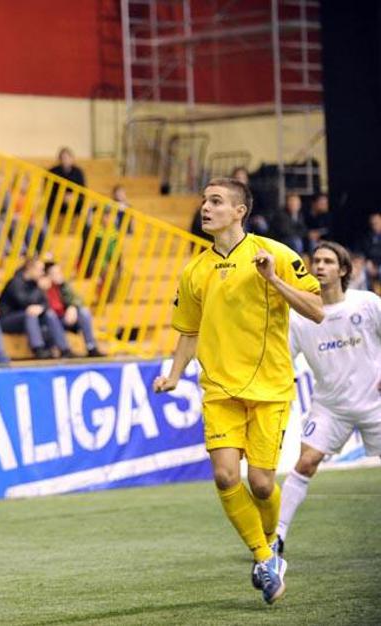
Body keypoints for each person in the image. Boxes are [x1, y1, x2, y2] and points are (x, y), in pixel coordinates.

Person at [152, 177, 323, 604]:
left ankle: (272, 545)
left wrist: (274, 280)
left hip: (270, 388)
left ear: (239, 211)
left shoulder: (275, 253)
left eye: (216, 201)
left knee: (262, 485)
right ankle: (264, 558)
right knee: (226, 475)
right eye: (204, 201)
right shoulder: (194, 270)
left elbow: (316, 310)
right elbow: (188, 330)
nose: (206, 208)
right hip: (219, 389)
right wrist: (174, 374)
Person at [276, 242, 381, 549]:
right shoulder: (299, 317)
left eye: (328, 261)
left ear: (343, 269)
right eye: (316, 261)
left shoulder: (366, 303)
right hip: (330, 407)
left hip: (374, 402)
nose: (320, 266)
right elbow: (283, 361)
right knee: (306, 462)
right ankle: (276, 535)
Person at [0, 258, 71, 359]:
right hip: (6, 319)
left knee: (49, 314)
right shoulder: (15, 282)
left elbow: (46, 304)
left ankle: (64, 349)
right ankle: (38, 349)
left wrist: (41, 308)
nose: (42, 273)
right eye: (40, 270)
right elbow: (24, 302)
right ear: (30, 269)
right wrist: (40, 289)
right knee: (31, 314)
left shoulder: (35, 284)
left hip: (27, 319)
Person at [44, 261, 104, 357]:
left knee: (84, 311)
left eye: (60, 272)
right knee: (50, 315)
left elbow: (78, 299)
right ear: (48, 276)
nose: (59, 275)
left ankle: (91, 347)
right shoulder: (42, 288)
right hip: (52, 321)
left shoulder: (63, 286)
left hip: (67, 319)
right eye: (55, 273)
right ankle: (65, 350)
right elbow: (49, 307)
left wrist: (72, 307)